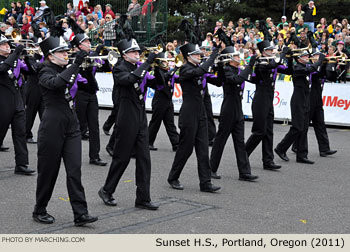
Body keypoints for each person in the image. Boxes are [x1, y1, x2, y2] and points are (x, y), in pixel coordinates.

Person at [33, 32, 98, 226]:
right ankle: (39, 209)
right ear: (50, 56)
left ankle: (81, 213)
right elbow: (57, 83)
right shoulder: (44, 71)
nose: (65, 54)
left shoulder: (70, 67)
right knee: (48, 172)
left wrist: (83, 66)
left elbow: (90, 87)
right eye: (60, 52)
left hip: (71, 123)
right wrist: (76, 64)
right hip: (52, 125)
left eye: (65, 51)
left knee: (74, 170)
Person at [98, 38, 159, 210]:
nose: (137, 54)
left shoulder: (137, 66)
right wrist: (146, 63)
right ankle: (106, 190)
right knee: (121, 158)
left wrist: (161, 68)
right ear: (125, 55)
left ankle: (143, 198)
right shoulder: (119, 67)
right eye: (134, 52)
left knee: (144, 160)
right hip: (126, 116)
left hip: (140, 114)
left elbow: (156, 83)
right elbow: (129, 80)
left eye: (138, 52)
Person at [167, 43, 222, 192]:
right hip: (189, 114)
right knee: (185, 149)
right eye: (196, 54)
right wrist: (213, 55)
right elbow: (200, 71)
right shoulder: (185, 69)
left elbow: (218, 82)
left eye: (199, 54)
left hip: (201, 112)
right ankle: (173, 177)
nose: (199, 56)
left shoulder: (199, 69)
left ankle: (205, 182)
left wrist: (221, 66)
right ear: (188, 57)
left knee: (203, 149)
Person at [209, 47, 259, 181]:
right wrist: (250, 65)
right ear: (230, 59)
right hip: (228, 110)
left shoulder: (238, 70)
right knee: (220, 140)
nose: (239, 57)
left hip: (238, 109)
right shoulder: (227, 70)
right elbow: (236, 80)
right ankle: (211, 169)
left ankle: (244, 172)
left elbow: (246, 77)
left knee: (240, 142)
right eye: (236, 56)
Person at [245, 40, 291, 170]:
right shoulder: (261, 63)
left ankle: (268, 160)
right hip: (260, 100)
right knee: (259, 131)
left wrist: (291, 58)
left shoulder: (272, 62)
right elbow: (273, 65)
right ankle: (243, 154)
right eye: (270, 50)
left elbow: (288, 70)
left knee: (269, 131)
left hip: (269, 99)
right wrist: (282, 55)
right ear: (264, 52)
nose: (272, 51)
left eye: (272, 49)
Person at [275, 50, 325, 164]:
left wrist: (324, 62)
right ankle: (281, 148)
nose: (308, 57)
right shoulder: (298, 68)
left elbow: (315, 71)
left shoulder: (304, 66)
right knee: (297, 127)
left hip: (306, 100)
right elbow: (310, 69)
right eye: (305, 56)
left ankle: (302, 155)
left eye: (308, 56)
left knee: (304, 128)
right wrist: (320, 60)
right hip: (298, 101)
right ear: (299, 59)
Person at [70, 26, 108, 166]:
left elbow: (106, 67)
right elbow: (78, 76)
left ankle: (95, 156)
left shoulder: (92, 55)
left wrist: (102, 54)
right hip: (80, 94)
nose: (89, 43)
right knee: (77, 126)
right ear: (79, 45)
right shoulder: (73, 58)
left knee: (94, 125)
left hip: (92, 94)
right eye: (86, 42)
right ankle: (71, 155)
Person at [0, 34, 33, 175]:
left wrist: (28, 57)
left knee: (20, 133)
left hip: (17, 99)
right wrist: (15, 53)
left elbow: (31, 71)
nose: (8, 46)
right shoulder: (7, 60)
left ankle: (21, 164)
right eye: (4, 44)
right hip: (2, 101)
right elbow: (2, 69)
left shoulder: (13, 59)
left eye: (8, 44)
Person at [148, 52, 179, 151]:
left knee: (170, 123)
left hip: (168, 100)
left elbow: (177, 78)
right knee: (155, 123)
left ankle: (176, 144)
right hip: (159, 101)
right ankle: (148, 142)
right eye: (165, 61)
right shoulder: (158, 71)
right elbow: (163, 79)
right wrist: (175, 69)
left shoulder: (169, 71)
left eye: (167, 61)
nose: (167, 63)